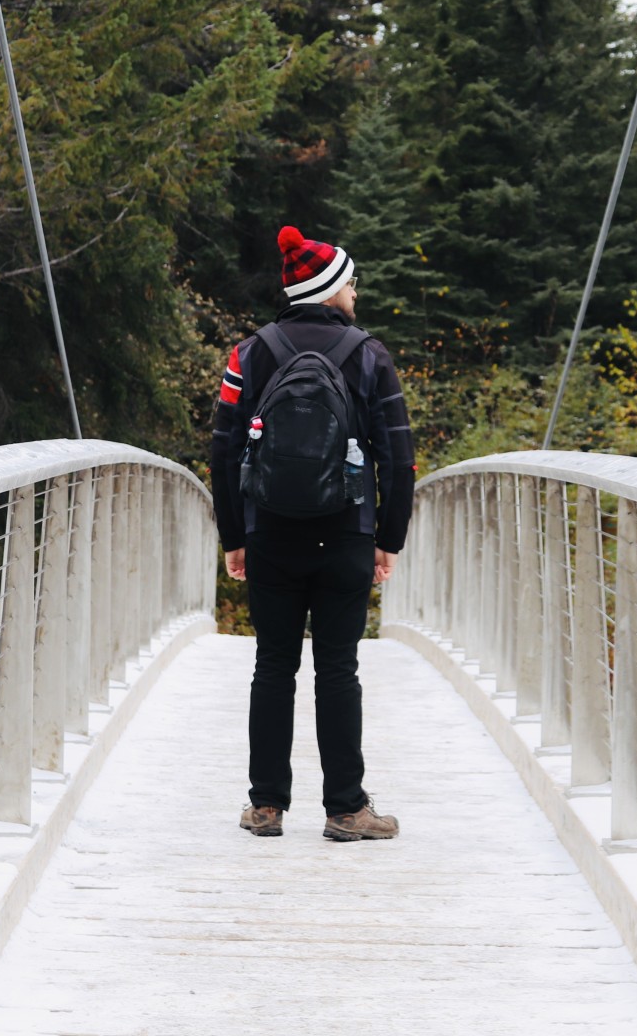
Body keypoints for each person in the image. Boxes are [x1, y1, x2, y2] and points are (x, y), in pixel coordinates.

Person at [210, 226, 415, 841]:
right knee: (337, 669)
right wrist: (388, 538)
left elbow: (223, 453)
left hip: (269, 530)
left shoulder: (248, 354)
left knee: (273, 664)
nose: (356, 292)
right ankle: (347, 810)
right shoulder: (370, 355)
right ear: (329, 290)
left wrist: (234, 536)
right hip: (345, 533)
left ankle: (266, 806)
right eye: (351, 282)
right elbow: (399, 457)